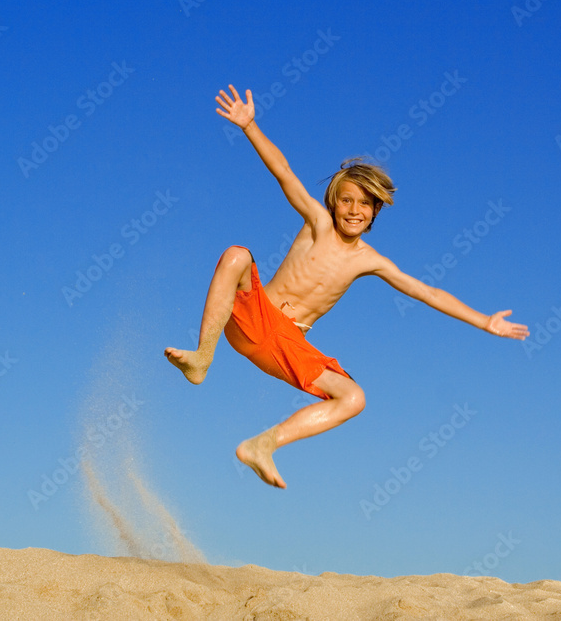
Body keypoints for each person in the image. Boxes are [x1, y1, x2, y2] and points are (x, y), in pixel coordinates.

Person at [165, 84, 529, 489]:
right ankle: (202, 357)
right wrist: (250, 126)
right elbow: (283, 172)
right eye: (347, 201)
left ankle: (263, 445)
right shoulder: (316, 224)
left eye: (365, 203)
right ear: (333, 202)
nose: (354, 210)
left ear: (376, 210)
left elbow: (427, 292)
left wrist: (485, 322)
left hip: (288, 344)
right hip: (252, 317)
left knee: (354, 398)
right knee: (236, 255)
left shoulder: (369, 260)